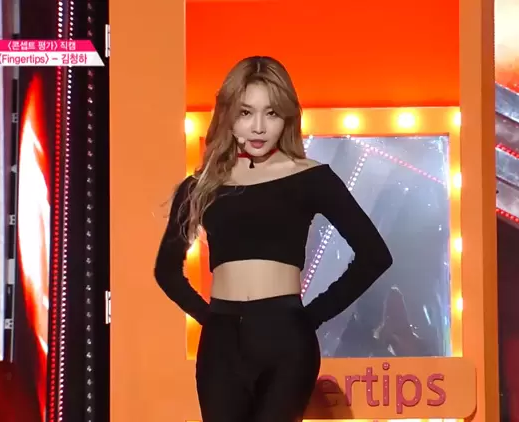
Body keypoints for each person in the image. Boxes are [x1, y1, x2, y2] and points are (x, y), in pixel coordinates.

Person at [153, 56, 393, 422]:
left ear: (287, 118)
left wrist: (311, 316)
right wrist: (210, 318)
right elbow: (166, 270)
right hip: (221, 343)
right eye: (246, 112)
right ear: (228, 115)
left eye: (272, 113)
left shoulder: (312, 178)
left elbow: (374, 255)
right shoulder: (201, 186)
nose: (259, 127)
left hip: (286, 340)